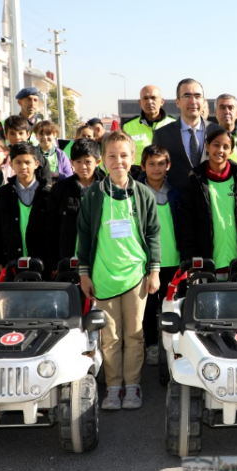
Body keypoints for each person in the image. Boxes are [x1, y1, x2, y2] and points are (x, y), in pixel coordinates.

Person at [78, 131, 162, 410]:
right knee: (110, 336)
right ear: (102, 159)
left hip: (136, 276)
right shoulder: (93, 195)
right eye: (112, 156)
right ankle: (114, 387)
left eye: (124, 155)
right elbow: (84, 235)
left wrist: (154, 271)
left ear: (133, 157)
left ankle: (133, 385)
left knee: (135, 334)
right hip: (103, 277)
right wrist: (84, 273)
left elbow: (153, 233)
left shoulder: (143, 194)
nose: (118, 161)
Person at [180, 129, 237, 272]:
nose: (220, 150)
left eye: (226, 147)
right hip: (206, 260)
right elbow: (188, 221)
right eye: (216, 145)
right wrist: (191, 255)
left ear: (231, 151)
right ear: (207, 146)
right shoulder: (195, 180)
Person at [140, 144, 183, 364]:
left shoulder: (176, 193)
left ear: (168, 165)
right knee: (147, 308)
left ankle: (174, 346)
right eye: (151, 164)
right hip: (145, 263)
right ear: (142, 166)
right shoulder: (136, 193)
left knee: (172, 307)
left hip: (174, 261)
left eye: (161, 164)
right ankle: (152, 346)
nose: (156, 168)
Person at [0, 142, 52, 280]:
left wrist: (54, 263)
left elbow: (56, 231)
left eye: (27, 162)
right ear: (11, 164)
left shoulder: (49, 194)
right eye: (18, 162)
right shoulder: (2, 194)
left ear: (36, 164)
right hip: (11, 263)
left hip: (44, 265)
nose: (23, 167)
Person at [152, 78, 221, 192]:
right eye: (187, 96)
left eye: (197, 96)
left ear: (204, 101)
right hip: (176, 199)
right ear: (177, 102)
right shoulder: (162, 135)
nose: (193, 101)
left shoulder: (217, 132)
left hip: (212, 198)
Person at [47, 138, 104, 272]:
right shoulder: (60, 189)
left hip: (100, 260)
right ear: (71, 162)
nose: (83, 166)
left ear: (97, 162)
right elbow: (51, 228)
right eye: (78, 161)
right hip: (68, 260)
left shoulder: (107, 188)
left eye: (88, 162)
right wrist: (53, 263)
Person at [122, 85, 176, 178]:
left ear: (162, 101)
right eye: (145, 98)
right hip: (137, 177)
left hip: (168, 176)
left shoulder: (174, 124)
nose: (149, 102)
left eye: (153, 98)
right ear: (140, 102)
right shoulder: (127, 126)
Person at [3, 115, 54, 185]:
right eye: (12, 133)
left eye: (21, 133)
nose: (17, 137)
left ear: (28, 134)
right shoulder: (2, 158)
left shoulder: (39, 159)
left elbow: (47, 185)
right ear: (6, 135)